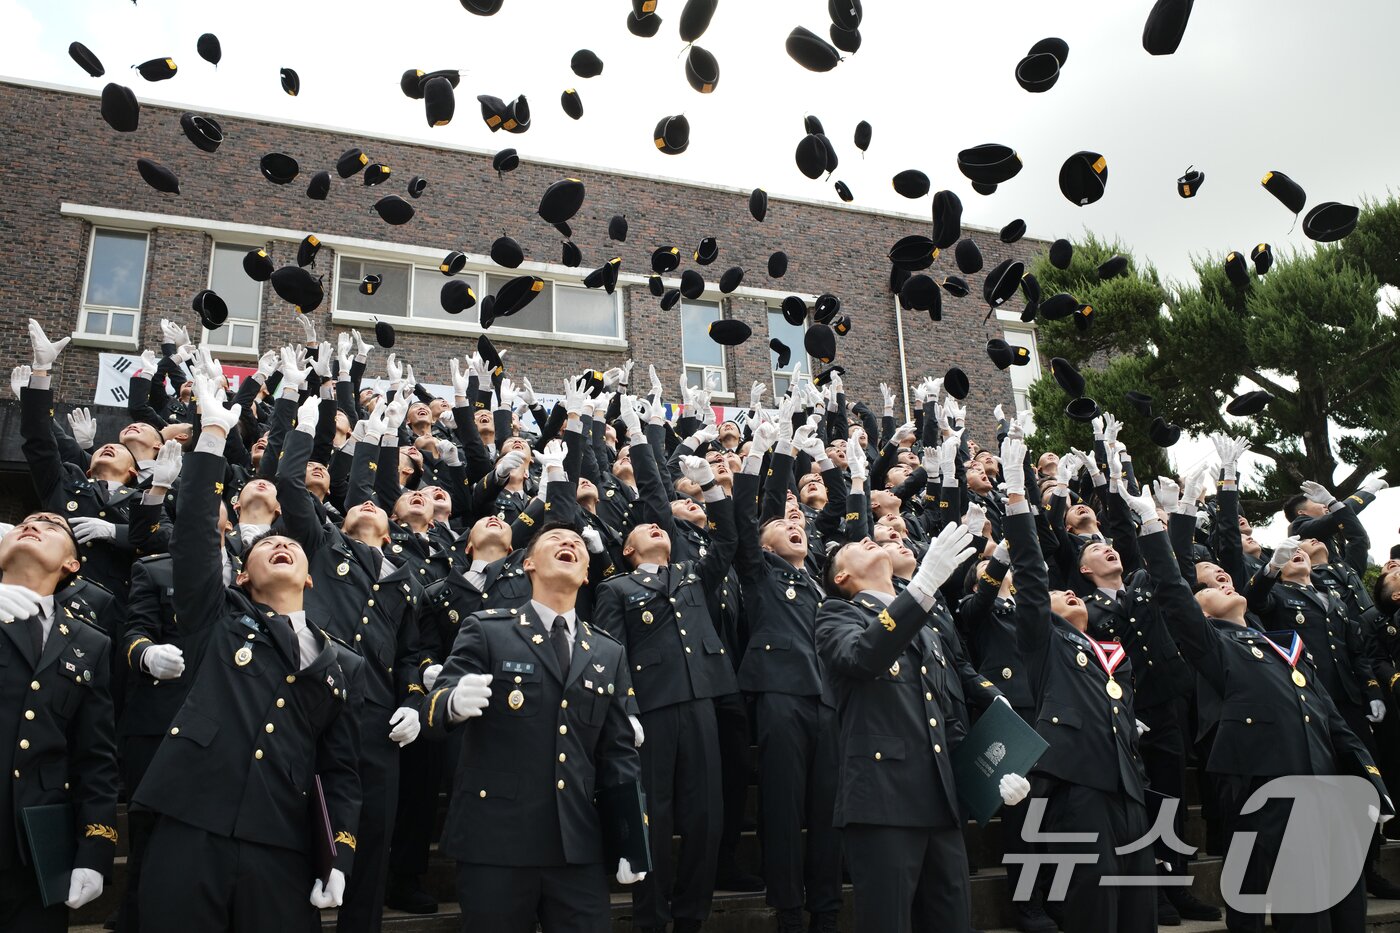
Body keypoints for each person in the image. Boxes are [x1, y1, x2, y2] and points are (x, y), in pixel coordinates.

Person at [133, 373, 364, 933]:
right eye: (267, 545)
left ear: (311, 579)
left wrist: (339, 854)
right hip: (192, 821)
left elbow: (341, 771)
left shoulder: (342, 664)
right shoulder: (215, 617)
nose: (280, 542)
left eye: (290, 543)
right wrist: (213, 434)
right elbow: (191, 533)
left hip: (280, 841)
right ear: (240, 573)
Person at [1137, 481, 1393, 933]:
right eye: (1210, 587)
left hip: (1328, 791)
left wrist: (1373, 786)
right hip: (1272, 788)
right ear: (1203, 614)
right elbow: (1173, 594)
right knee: (1303, 907)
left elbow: (1335, 725)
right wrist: (1154, 527)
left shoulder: (1286, 648)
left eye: (1227, 579)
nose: (1224, 582)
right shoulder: (1214, 645)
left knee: (1348, 908)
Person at [421, 521, 646, 932]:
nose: (570, 544)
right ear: (527, 564)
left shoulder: (607, 651)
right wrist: (451, 703)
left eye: (578, 543)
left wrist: (632, 838)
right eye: (556, 540)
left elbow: (618, 755)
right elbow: (435, 705)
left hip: (576, 845)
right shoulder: (488, 630)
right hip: (496, 841)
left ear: (587, 574)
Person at [818, 520, 1025, 933]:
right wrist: (922, 587)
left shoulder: (927, 632)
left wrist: (995, 774)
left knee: (952, 922)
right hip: (883, 802)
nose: (868, 539)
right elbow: (862, 656)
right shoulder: (837, 613)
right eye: (855, 544)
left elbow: (945, 721)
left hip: (940, 803)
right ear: (842, 576)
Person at [1001, 434, 1156, 933]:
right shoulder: (1043, 642)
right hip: (1078, 786)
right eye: (1058, 592)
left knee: (1138, 911)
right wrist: (1017, 497)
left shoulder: (1111, 651)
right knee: (1092, 909)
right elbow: (1029, 575)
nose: (1068, 590)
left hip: (1128, 785)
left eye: (1072, 588)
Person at [0, 512, 118, 933]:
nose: (33, 525)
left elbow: (94, 757)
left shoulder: (90, 643)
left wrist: (95, 850)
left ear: (72, 564)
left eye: (52, 528)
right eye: (23, 524)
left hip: (32, 853)